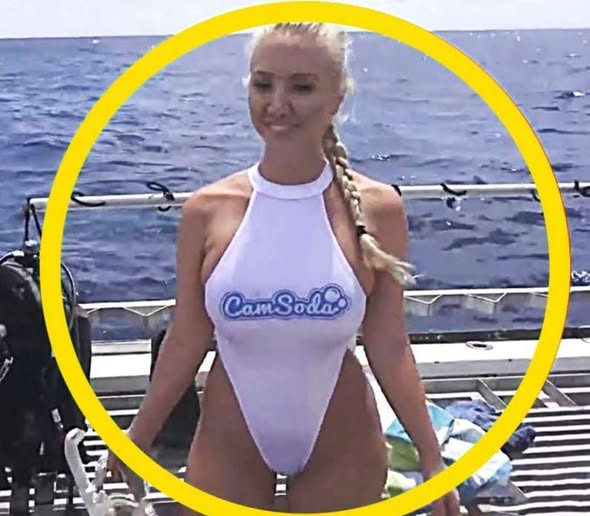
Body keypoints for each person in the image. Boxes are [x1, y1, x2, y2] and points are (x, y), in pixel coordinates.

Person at [108, 22, 460, 515]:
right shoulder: (206, 210)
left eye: (301, 87)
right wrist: (138, 435)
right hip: (230, 437)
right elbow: (188, 334)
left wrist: (432, 458)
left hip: (341, 441)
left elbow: (389, 343)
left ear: (336, 99)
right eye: (263, 83)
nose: (277, 103)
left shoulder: (379, 209)